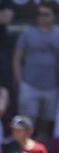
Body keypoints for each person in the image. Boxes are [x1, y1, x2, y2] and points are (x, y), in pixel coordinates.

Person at [13, 3, 59, 138]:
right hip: (29, 84)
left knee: (45, 124)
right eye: (39, 14)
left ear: (54, 16)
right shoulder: (28, 33)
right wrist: (19, 79)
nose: (41, 17)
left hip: (52, 86)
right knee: (27, 122)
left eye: (46, 14)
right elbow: (17, 57)